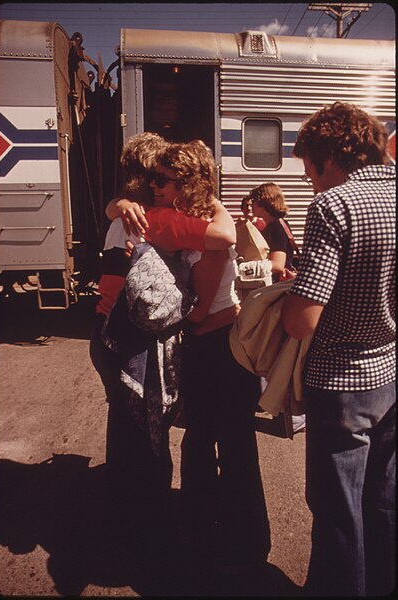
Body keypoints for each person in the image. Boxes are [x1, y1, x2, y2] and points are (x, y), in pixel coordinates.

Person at [91, 134, 235, 551]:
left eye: (164, 178)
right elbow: (224, 236)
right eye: (154, 176)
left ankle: (123, 520)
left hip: (107, 333)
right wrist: (215, 201)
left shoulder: (125, 216)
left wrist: (117, 203)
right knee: (149, 434)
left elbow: (112, 210)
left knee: (126, 432)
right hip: (134, 340)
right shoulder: (154, 219)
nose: (157, 184)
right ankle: (148, 527)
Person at [281, 101, 396, 596]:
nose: (311, 183)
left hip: (342, 383)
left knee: (337, 510)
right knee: (383, 500)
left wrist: (282, 302)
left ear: (328, 157)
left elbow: (303, 320)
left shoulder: (335, 205)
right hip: (392, 372)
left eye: (309, 172)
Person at [146, 147, 272, 574]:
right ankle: (240, 537)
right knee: (225, 442)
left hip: (215, 347)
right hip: (221, 347)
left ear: (186, 185)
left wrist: (169, 316)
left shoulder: (209, 235)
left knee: (212, 442)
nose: (154, 186)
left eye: (163, 179)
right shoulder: (201, 219)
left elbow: (200, 311)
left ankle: (223, 537)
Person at [250, 183, 299, 282]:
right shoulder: (272, 225)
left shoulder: (276, 226)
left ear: (263, 202)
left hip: (278, 284)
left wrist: (247, 268)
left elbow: (278, 265)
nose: (251, 204)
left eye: (254, 200)